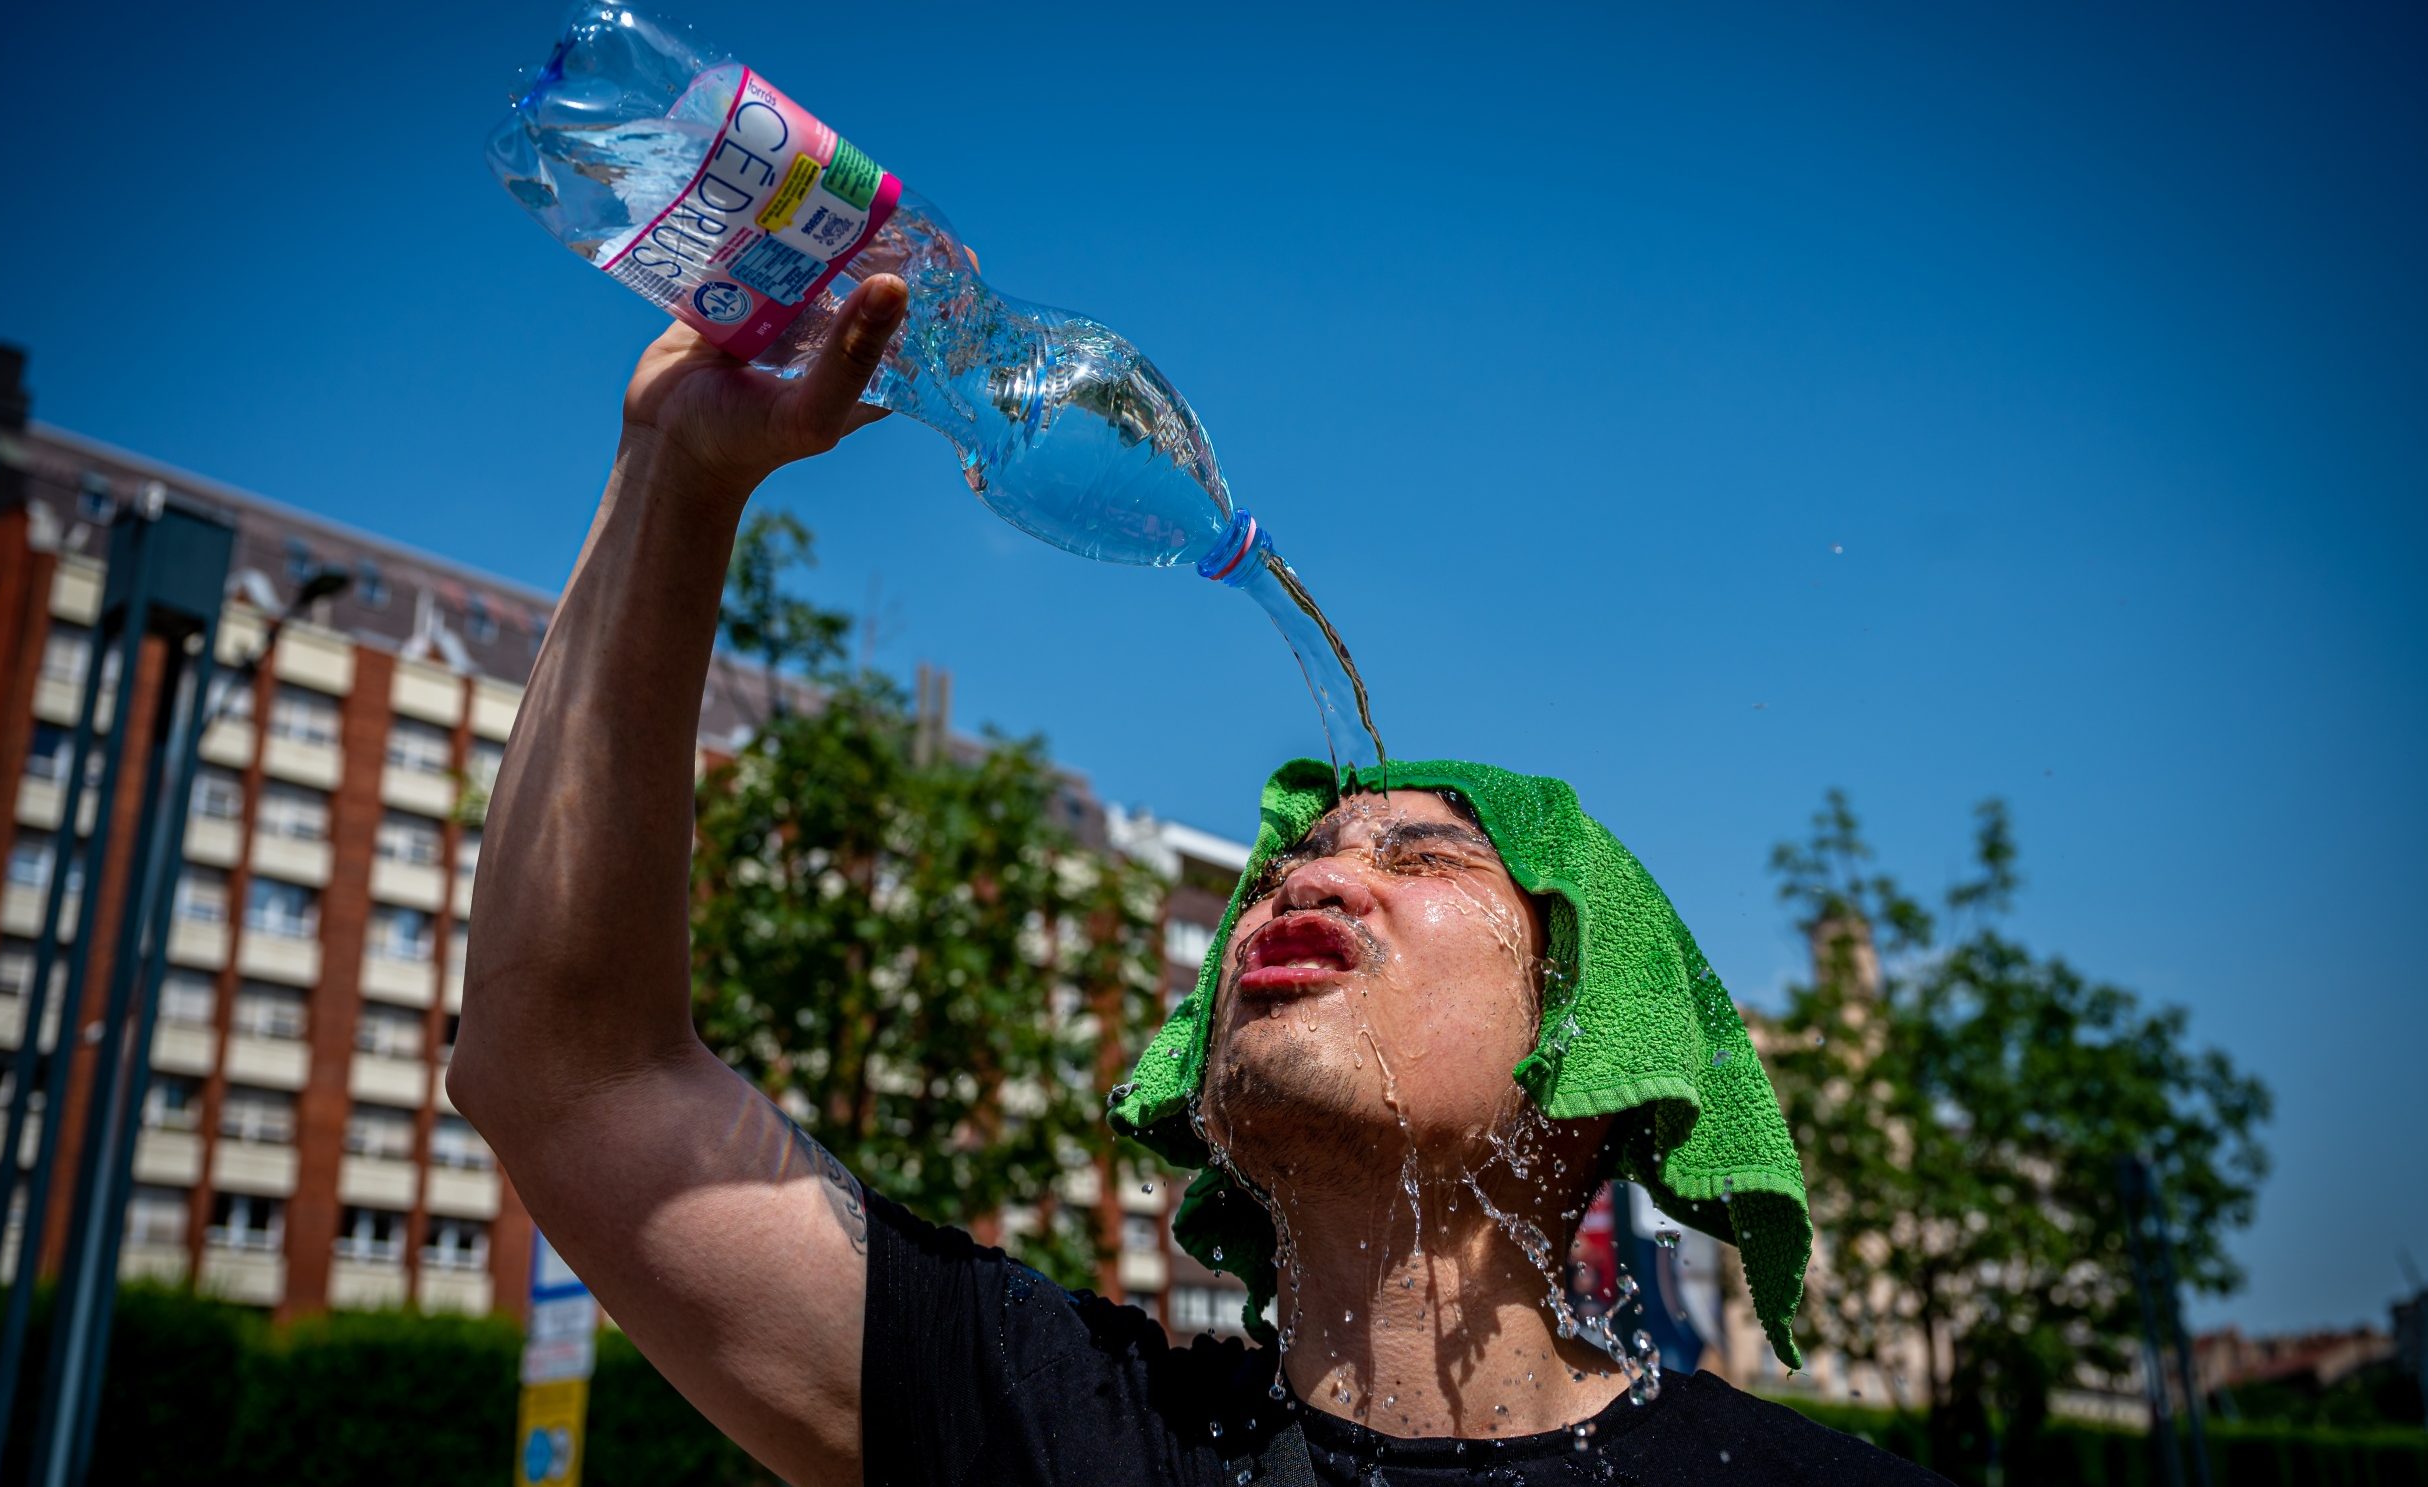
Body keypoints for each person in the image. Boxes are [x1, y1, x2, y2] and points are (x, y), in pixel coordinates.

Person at [452, 273, 1945, 1486]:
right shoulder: (1059, 1431)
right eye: (1291, 858)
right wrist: (676, 473)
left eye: (1423, 856)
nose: (1313, 881)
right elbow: (571, 1073)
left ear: (1600, 1043)